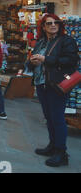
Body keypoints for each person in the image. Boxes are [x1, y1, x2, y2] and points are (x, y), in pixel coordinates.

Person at [26, 14, 78, 167]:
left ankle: (61, 153)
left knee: (57, 118)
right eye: (49, 23)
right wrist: (32, 62)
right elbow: (31, 63)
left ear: (60, 25)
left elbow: (71, 61)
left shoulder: (67, 41)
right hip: (42, 84)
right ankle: (53, 146)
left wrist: (45, 60)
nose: (53, 25)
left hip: (57, 84)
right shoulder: (41, 42)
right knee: (49, 118)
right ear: (43, 27)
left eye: (56, 23)